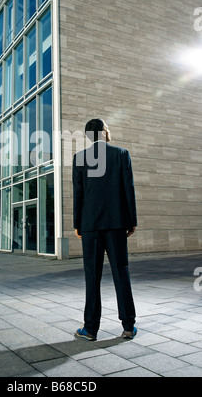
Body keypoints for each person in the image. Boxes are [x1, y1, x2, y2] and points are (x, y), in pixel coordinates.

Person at [72, 118, 137, 341]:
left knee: (92, 277)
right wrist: (131, 221)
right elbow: (128, 189)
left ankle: (90, 329)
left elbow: (78, 194)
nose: (110, 131)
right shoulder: (121, 154)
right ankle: (128, 326)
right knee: (122, 273)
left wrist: (77, 224)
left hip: (90, 226)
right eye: (108, 128)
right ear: (102, 132)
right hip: (117, 225)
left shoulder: (79, 158)